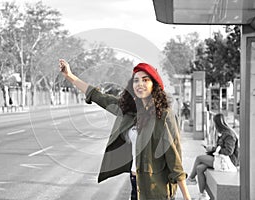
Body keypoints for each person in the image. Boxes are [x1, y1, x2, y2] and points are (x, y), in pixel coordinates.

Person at [58, 59, 191, 200]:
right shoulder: (129, 111)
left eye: (145, 80)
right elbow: (99, 97)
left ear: (154, 85)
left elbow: (174, 158)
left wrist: (187, 197)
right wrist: (69, 76)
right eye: (136, 80)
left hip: (157, 190)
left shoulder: (164, 115)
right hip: (136, 185)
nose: (140, 84)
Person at [186, 113, 239, 200]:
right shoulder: (223, 133)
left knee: (199, 158)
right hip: (221, 159)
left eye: (214, 123)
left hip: (228, 163)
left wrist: (213, 149)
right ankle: (202, 195)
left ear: (218, 123)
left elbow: (229, 151)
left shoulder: (229, 134)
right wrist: (210, 149)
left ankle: (191, 178)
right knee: (199, 168)